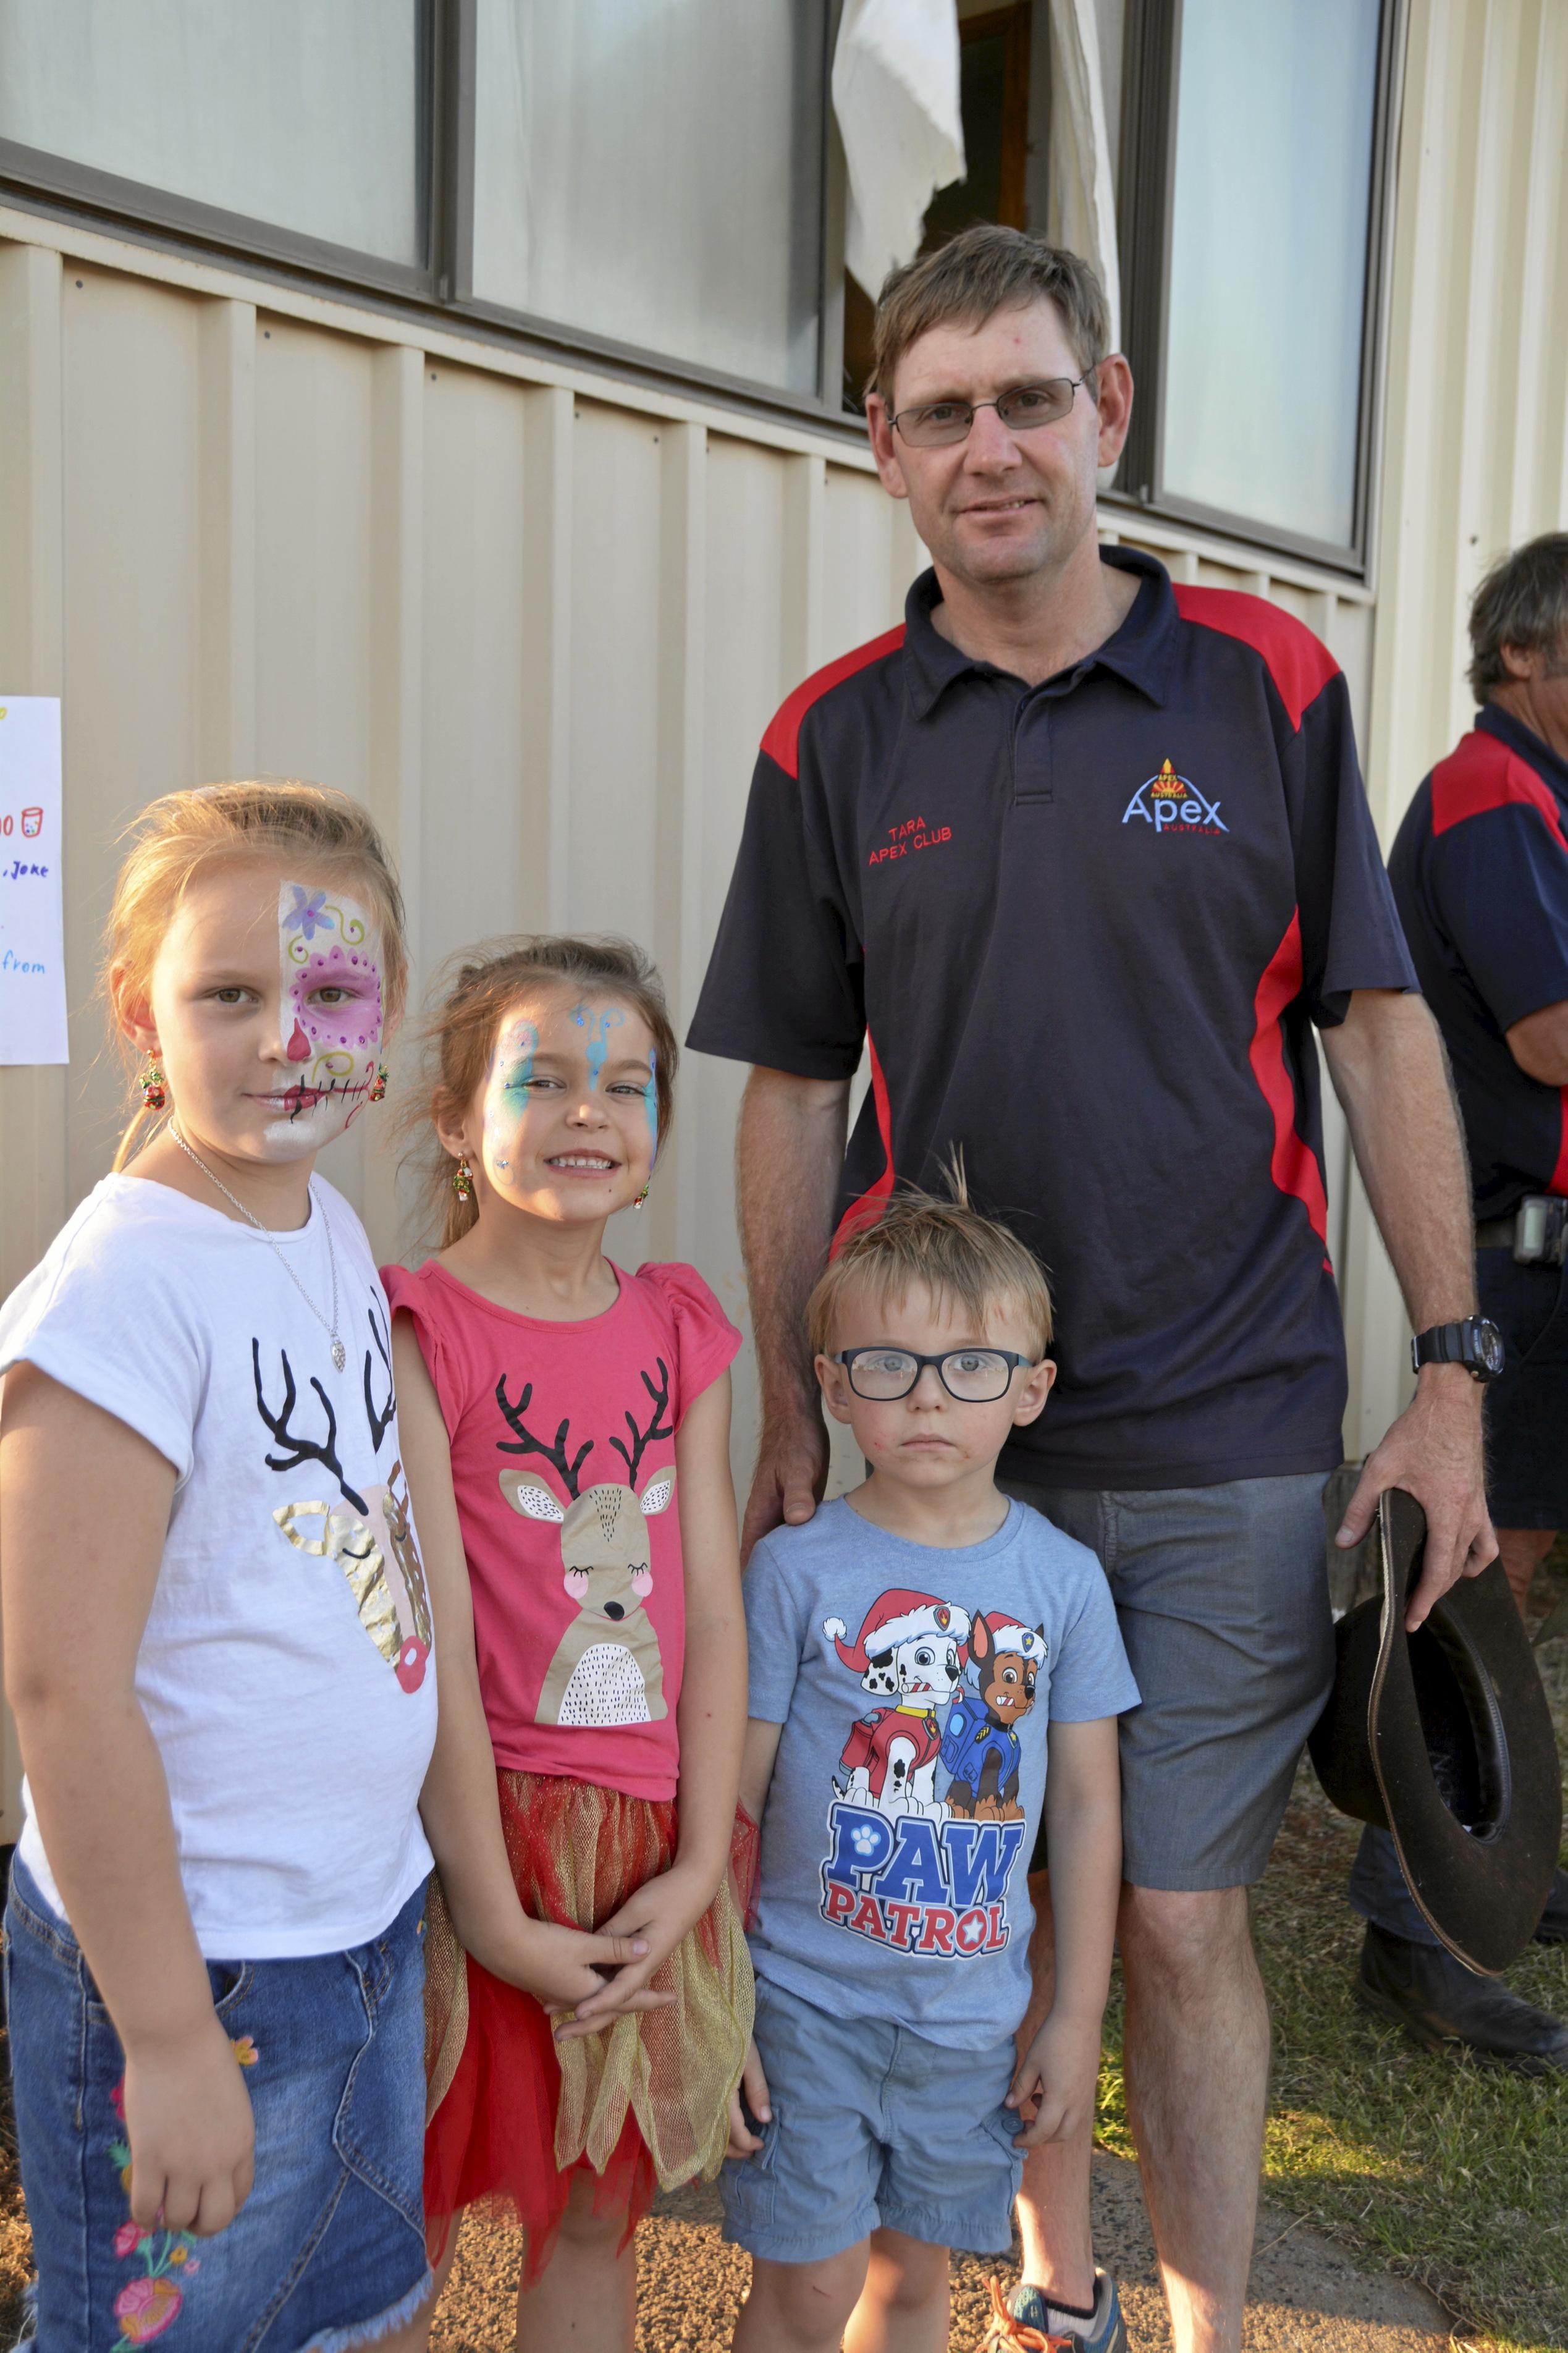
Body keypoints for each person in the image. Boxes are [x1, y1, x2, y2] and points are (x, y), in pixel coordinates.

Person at [687, 226, 1493, 2353]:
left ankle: (1205, 2315)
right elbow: (785, 1088)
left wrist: (1445, 1367)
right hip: (933, 1447)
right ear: (878, 444)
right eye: (939, 410)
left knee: (1168, 1905)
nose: (988, 447)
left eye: (1026, 399)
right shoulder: (829, 739)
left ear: (1106, 411)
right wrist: (794, 1403)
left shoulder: (1267, 684)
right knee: (960, 1893)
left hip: (1221, 1420)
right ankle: (1043, 2294)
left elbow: (1378, 1028)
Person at [0, 784, 642, 2348]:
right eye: (232, 992)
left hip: (357, 1927)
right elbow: (63, 1690)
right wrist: (161, 2037)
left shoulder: (324, 1227)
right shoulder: (122, 1293)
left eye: (334, 991)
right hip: (200, 1968)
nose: (291, 1033)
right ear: (138, 1012)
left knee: (352, 2318)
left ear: (390, 1008)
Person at [386, 935, 752, 2353]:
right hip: (474, 1834)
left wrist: (704, 1856)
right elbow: (434, 1632)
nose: (590, 1109)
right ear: (457, 1121)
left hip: (645, 1848)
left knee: (596, 2209)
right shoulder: (424, 1329)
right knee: (406, 2200)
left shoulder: (680, 1327)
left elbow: (710, 1607)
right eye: (542, 1077)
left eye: (627, 1082)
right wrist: (488, 1904)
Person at [724, 1185, 1137, 2353]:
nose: (925, 1398)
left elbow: (1091, 1810)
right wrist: (726, 2000)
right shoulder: (793, 1574)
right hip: (803, 2004)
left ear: (1030, 1389)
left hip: (969, 2023)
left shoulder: (1061, 1585)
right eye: (888, 1366)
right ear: (832, 1384)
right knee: (806, 2292)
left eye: (968, 1367)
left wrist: (1073, 2016)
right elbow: (734, 1798)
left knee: (911, 2291)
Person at [1352, 534, 1568, 2066]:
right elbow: (1552, 1035)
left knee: (1518, 1577)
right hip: (1530, 1250)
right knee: (1480, 1571)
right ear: (1522, 657)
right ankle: (1415, 1929)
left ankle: (1498, 1863)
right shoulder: (1494, 790)